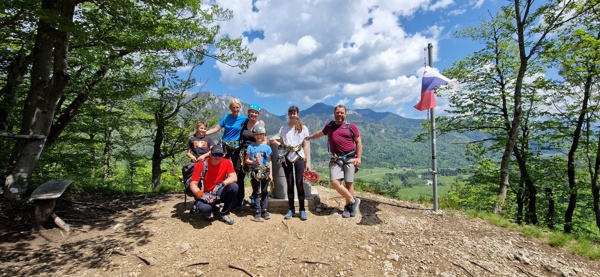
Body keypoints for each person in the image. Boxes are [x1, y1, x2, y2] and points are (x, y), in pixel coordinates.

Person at [304, 105, 362, 218]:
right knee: (335, 182)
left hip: (350, 158)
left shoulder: (351, 127)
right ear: (334, 114)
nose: (339, 114)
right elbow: (320, 133)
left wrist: (359, 158)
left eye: (341, 112)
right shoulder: (330, 126)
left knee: (349, 183)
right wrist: (308, 138)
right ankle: (353, 201)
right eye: (337, 112)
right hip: (336, 158)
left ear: (345, 114)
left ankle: (348, 207)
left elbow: (358, 142)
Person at [270, 106, 310, 220]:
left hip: (299, 157)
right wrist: (275, 142)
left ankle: (302, 209)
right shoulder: (283, 128)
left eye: (294, 113)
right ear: (288, 114)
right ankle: (291, 208)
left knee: (299, 183)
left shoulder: (303, 128)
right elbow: (282, 145)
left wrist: (307, 161)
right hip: (287, 157)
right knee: (290, 183)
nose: (292, 115)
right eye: (291, 113)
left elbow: (306, 145)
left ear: (298, 114)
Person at [205, 99, 248, 206]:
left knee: (236, 173)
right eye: (233, 107)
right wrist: (202, 134)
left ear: (240, 107)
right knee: (220, 170)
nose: (236, 109)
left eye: (237, 107)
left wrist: (260, 122)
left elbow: (253, 122)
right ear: (230, 108)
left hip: (236, 148)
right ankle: (220, 195)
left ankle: (238, 198)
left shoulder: (244, 119)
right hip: (224, 147)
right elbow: (216, 129)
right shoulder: (226, 118)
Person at [188, 145, 239, 225]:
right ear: (210, 154)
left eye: (220, 155)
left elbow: (234, 177)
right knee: (204, 208)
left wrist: (222, 184)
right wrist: (201, 194)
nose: (217, 157)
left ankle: (225, 213)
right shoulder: (201, 164)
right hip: (205, 194)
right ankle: (210, 210)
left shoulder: (226, 162)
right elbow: (193, 184)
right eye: (215, 154)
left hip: (219, 191)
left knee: (234, 187)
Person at [236, 103, 265, 208]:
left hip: (255, 153)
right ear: (248, 113)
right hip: (243, 152)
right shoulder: (244, 123)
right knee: (240, 176)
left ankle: (254, 197)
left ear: (258, 114)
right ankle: (240, 198)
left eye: (256, 112)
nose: (253, 114)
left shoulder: (260, 125)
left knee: (255, 176)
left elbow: (263, 139)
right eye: (252, 112)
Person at [245, 124, 273, 221]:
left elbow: (269, 161)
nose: (259, 136)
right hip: (255, 171)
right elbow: (246, 160)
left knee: (264, 191)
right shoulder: (251, 147)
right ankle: (258, 210)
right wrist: (254, 162)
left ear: (264, 135)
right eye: (257, 134)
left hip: (265, 171)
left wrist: (271, 174)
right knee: (256, 192)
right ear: (254, 135)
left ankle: (264, 210)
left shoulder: (267, 148)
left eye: (261, 134)